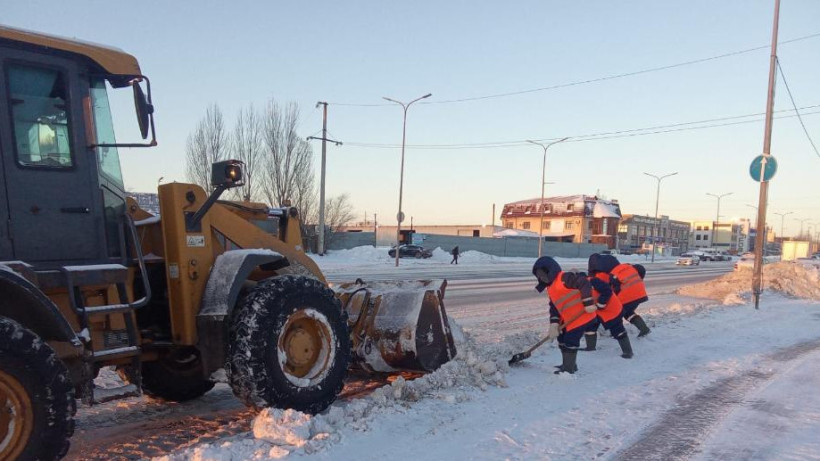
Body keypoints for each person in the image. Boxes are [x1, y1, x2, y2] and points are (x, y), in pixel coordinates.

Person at [532, 256, 602, 374]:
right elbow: (554, 307)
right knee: (562, 338)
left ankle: (569, 369)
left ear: (551, 270)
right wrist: (554, 324)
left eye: (543, 274)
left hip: (582, 316)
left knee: (570, 340)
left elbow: (583, 282)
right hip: (570, 320)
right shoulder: (551, 288)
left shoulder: (564, 278)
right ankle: (568, 364)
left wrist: (588, 302)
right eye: (539, 276)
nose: (542, 278)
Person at [589, 253, 651, 337]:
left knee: (616, 313)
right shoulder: (627, 269)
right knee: (628, 312)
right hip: (640, 295)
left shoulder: (612, 273)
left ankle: (618, 333)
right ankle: (644, 328)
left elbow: (613, 288)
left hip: (627, 296)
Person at [584, 254, 634, 358]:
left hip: (612, 309)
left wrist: (601, 304)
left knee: (617, 329)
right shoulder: (583, 285)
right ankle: (590, 347)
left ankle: (628, 351)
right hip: (598, 309)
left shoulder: (593, 281)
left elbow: (607, 291)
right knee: (590, 325)